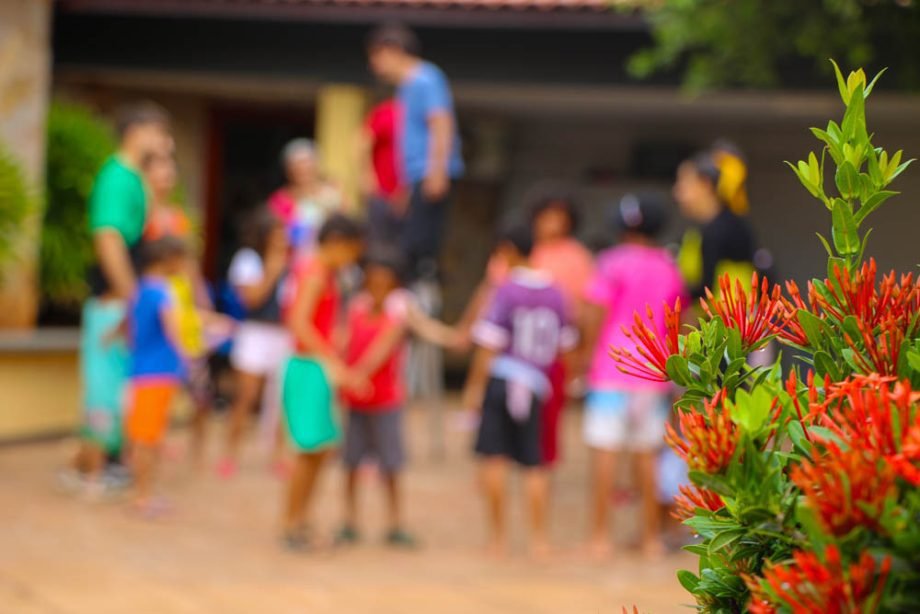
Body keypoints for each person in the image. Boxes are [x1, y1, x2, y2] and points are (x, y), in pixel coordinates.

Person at [64, 101, 171, 496]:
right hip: (113, 303)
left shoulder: (132, 179)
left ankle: (106, 464)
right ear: (137, 131)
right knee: (104, 391)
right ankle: (87, 471)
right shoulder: (118, 177)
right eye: (158, 132)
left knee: (119, 390)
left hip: (122, 304)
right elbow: (109, 239)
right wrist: (133, 300)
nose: (163, 143)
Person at [461, 225, 578, 560]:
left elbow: (489, 346)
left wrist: (473, 389)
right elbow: (565, 346)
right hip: (538, 383)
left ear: (509, 250)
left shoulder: (506, 290)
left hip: (504, 378)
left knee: (494, 458)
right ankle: (539, 539)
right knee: (535, 462)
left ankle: (497, 539)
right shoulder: (557, 292)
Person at [580, 193, 686, 561]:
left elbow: (594, 313)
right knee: (647, 456)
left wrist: (584, 359)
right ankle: (650, 538)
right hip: (654, 374)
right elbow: (677, 322)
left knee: (605, 452)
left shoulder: (610, 263)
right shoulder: (669, 268)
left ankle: (599, 536)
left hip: (611, 370)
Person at [336, 246, 464, 549]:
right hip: (356, 400)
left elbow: (404, 337)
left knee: (390, 465)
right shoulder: (357, 307)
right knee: (351, 463)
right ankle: (349, 521)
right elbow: (342, 341)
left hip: (385, 400)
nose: (378, 285)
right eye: (373, 279)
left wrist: (452, 337)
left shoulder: (399, 309)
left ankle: (395, 523)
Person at [280, 214, 365, 551]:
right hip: (308, 367)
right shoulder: (315, 273)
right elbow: (299, 323)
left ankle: (300, 519)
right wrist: (332, 360)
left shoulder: (321, 273)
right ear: (337, 243)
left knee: (319, 448)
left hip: (313, 366)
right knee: (309, 450)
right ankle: (292, 523)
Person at [141, 149, 228, 467]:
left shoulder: (177, 219)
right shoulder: (140, 216)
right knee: (155, 389)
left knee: (198, 390)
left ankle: (197, 454)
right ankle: (149, 450)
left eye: (169, 168)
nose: (166, 174)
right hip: (155, 313)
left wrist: (203, 305)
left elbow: (190, 267)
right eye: (159, 167)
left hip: (181, 310)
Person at [366, 23, 464, 278]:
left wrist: (437, 171)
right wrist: (406, 188)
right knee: (407, 242)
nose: (374, 65)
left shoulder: (426, 77)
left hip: (430, 173)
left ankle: (421, 299)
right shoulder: (406, 87)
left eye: (376, 56)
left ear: (394, 50)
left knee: (421, 247)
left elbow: (441, 122)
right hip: (416, 178)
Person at [218, 208, 291, 478]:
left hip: (281, 334)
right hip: (254, 333)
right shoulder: (248, 260)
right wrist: (272, 271)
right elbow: (252, 299)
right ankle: (230, 454)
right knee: (246, 396)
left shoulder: (290, 262)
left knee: (281, 399)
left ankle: (278, 456)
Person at [124, 236, 191, 516]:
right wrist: (187, 358)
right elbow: (173, 328)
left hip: (141, 372)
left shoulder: (140, 290)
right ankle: (143, 496)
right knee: (147, 439)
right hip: (158, 374)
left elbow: (129, 329)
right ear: (169, 259)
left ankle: (146, 493)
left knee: (146, 436)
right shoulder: (162, 292)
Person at [673, 150, 756, 300]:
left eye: (684, 183)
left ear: (705, 184)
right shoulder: (702, 231)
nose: (677, 192)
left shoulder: (726, 230)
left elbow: (706, 287)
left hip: (726, 320)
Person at [268, 139, 345, 257]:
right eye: (298, 165)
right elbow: (275, 240)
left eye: (307, 163)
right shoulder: (280, 200)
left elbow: (345, 227)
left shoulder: (332, 193)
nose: (303, 169)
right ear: (288, 170)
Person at [359, 97, 406, 245]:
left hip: (407, 198)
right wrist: (367, 177)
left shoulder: (423, 117)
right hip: (382, 194)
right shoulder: (389, 112)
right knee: (378, 245)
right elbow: (362, 143)